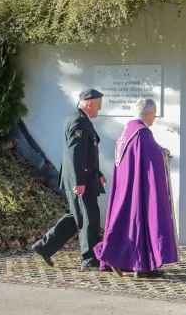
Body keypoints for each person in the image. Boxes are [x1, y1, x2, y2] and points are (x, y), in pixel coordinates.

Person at [93, 98, 179, 279]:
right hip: (138, 189)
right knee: (141, 224)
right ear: (146, 114)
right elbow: (153, 158)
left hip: (124, 188)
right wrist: (165, 153)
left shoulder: (126, 131)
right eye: (154, 114)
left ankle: (130, 263)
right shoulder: (142, 133)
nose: (155, 117)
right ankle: (139, 266)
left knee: (127, 226)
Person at [32, 89, 107, 271]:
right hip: (81, 181)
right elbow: (75, 154)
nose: (100, 108)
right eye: (98, 105)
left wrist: (98, 173)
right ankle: (89, 261)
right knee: (89, 219)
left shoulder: (81, 119)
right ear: (89, 104)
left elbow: (87, 154)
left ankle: (44, 246)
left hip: (85, 177)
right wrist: (78, 181)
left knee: (78, 216)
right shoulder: (78, 121)